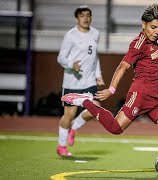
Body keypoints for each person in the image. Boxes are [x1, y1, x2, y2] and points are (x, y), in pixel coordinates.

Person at [61, 4, 158, 177]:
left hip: (155, 99)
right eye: (152, 27)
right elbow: (122, 66)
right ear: (143, 25)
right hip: (139, 95)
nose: (156, 31)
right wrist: (111, 89)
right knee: (116, 128)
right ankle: (84, 101)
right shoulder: (138, 44)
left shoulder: (155, 34)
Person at [56, 6, 105, 156]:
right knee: (69, 115)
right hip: (72, 82)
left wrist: (98, 74)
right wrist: (72, 65)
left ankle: (74, 128)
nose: (85, 18)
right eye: (82, 15)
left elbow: (94, 56)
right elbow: (61, 58)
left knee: (95, 108)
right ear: (77, 18)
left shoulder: (95, 33)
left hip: (89, 81)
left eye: (88, 15)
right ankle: (61, 146)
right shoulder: (70, 36)